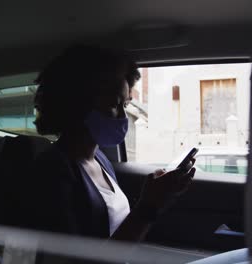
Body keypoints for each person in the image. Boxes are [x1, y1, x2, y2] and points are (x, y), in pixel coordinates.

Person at [28, 45, 196, 242]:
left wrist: (154, 197)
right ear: (77, 106)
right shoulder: (53, 170)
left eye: (124, 105)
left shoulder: (99, 159)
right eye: (113, 105)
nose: (124, 117)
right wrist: (150, 204)